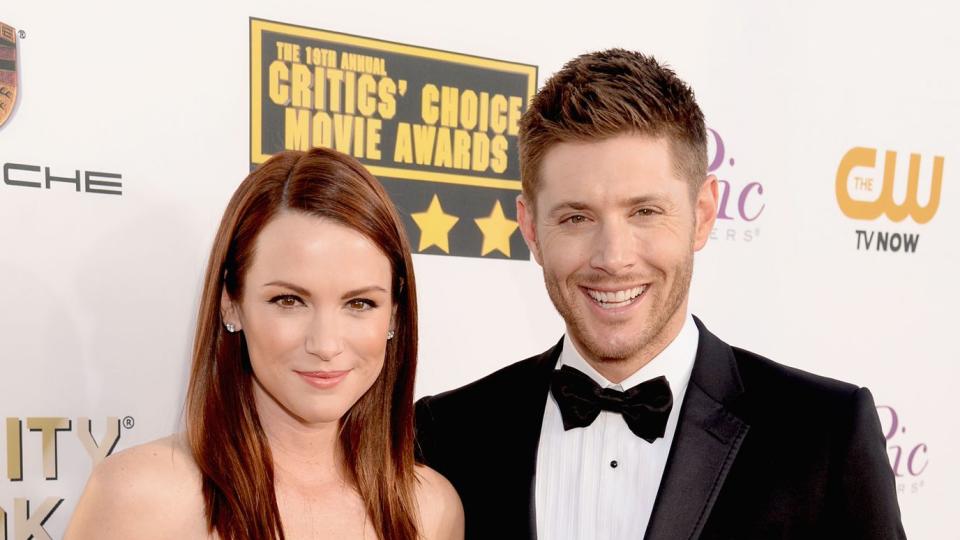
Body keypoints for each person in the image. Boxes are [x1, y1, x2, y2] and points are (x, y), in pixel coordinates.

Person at [414, 49, 905, 539]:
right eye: (576, 218)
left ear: (704, 213)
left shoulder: (824, 435)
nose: (613, 257)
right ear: (531, 228)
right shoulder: (448, 433)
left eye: (645, 212)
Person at [67, 147, 464, 540]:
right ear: (231, 304)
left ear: (394, 314)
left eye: (360, 303)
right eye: (289, 301)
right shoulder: (140, 500)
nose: (325, 344)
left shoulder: (430, 509)